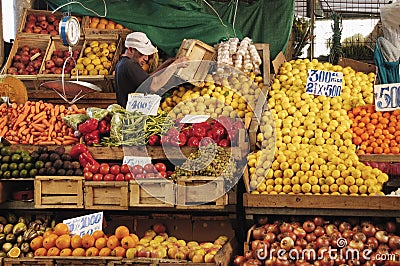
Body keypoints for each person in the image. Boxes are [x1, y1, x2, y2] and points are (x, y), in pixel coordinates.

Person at [115, 31, 188, 108]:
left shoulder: (123, 63)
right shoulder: (129, 64)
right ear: (130, 50)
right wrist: (175, 65)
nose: (146, 58)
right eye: (142, 53)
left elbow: (147, 81)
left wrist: (165, 65)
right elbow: (154, 86)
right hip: (134, 114)